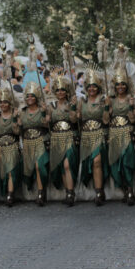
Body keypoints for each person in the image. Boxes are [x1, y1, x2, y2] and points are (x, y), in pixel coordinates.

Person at [78, 67, 109, 205]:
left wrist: (107, 108)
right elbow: (75, 120)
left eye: (94, 86)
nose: (91, 89)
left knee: (97, 161)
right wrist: (74, 110)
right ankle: (96, 188)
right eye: (89, 86)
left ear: (98, 87)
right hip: (85, 136)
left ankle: (99, 191)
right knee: (89, 164)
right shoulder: (82, 101)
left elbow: (106, 120)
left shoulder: (103, 100)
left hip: (99, 135)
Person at [107, 67, 135, 205]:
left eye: (123, 84)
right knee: (115, 164)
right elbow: (105, 120)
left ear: (127, 85)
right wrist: (106, 108)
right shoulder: (110, 100)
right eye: (118, 84)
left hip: (127, 134)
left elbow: (133, 120)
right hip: (113, 135)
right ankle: (124, 188)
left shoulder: (132, 99)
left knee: (127, 162)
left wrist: (131, 107)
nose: (120, 87)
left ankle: (130, 190)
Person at [47, 74, 78, 206]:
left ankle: (71, 193)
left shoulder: (71, 103)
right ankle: (68, 192)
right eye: (58, 90)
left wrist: (73, 108)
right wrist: (45, 117)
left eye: (63, 90)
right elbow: (46, 123)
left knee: (67, 165)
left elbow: (74, 120)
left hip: (69, 137)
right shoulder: (51, 106)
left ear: (67, 92)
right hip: (56, 139)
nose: (60, 92)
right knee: (61, 166)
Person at [18, 82, 50, 206]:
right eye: (28, 96)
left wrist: (43, 113)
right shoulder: (22, 112)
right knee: (30, 168)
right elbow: (19, 132)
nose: (29, 98)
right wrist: (18, 124)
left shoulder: (43, 109)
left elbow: (47, 126)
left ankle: (41, 192)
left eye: (32, 96)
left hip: (40, 142)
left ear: (36, 97)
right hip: (27, 144)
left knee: (39, 166)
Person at [0, 84, 22, 206]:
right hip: (0, 148)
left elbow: (17, 132)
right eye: (1, 102)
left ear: (10, 103)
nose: (3, 105)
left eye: (5, 102)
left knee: (10, 171)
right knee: (2, 172)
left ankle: (10, 194)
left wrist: (15, 120)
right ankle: (6, 192)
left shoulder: (16, 115)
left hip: (12, 147)